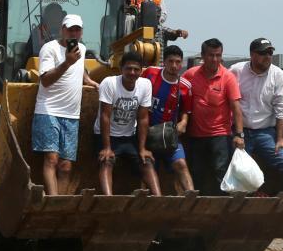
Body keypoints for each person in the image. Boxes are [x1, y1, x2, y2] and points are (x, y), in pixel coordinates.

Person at [33, 13, 100, 196]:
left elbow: (81, 68)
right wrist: (67, 62)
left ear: (81, 32)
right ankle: (53, 201)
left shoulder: (82, 49)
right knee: (52, 159)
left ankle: (61, 202)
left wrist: (88, 80)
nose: (74, 33)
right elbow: (45, 80)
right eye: (70, 29)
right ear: (63, 30)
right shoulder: (50, 48)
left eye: (77, 29)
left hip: (71, 114)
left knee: (66, 166)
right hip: (48, 110)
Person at [230, 38, 283, 196]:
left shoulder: (278, 75)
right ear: (252, 55)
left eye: (270, 52)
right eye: (262, 53)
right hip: (239, 131)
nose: (267, 56)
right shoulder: (236, 71)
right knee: (236, 165)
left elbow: (282, 109)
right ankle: (237, 206)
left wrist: (280, 139)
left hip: (265, 132)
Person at [183, 38, 244, 196]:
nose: (215, 59)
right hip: (195, 135)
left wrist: (239, 135)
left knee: (221, 172)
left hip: (220, 135)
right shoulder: (190, 74)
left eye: (218, 55)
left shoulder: (228, 77)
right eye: (211, 55)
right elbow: (179, 99)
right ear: (202, 55)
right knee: (196, 173)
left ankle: (222, 210)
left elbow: (236, 108)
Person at [95, 51, 161, 196]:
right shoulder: (109, 83)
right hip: (106, 135)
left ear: (141, 71)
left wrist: (142, 148)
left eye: (136, 69)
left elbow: (143, 118)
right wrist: (107, 147)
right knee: (106, 161)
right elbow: (105, 115)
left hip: (129, 136)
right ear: (121, 69)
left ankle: (158, 199)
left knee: (147, 162)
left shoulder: (145, 85)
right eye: (128, 68)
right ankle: (108, 199)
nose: (132, 72)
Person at [141, 44, 194, 192]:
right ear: (164, 62)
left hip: (169, 136)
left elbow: (186, 111)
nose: (174, 65)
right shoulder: (150, 73)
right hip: (147, 135)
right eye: (171, 61)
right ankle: (149, 205)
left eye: (178, 62)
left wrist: (183, 122)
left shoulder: (185, 86)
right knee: (149, 168)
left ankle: (191, 199)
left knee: (181, 164)